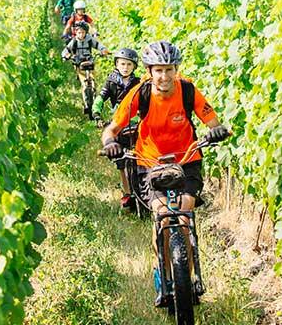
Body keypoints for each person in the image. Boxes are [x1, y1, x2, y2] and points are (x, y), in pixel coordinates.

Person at [100, 41, 229, 307]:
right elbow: (111, 129)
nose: (164, 76)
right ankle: (164, 273)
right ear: (149, 71)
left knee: (183, 212)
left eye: (169, 69)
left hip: (187, 158)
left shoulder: (188, 90)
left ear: (176, 69)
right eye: (158, 70)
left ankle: (189, 276)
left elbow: (212, 121)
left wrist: (216, 130)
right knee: (161, 214)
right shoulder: (140, 93)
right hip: (149, 161)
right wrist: (110, 144)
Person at [92, 48, 140, 208]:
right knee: (121, 161)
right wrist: (96, 112)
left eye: (129, 64)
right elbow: (101, 97)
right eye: (122, 64)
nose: (125, 67)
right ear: (116, 65)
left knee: (141, 157)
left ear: (134, 67)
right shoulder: (111, 81)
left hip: (136, 124)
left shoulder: (138, 83)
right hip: (119, 123)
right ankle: (127, 193)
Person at [62, 21, 110, 99]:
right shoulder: (74, 41)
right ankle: (86, 102)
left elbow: (98, 45)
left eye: (83, 32)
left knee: (93, 79)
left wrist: (103, 50)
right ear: (76, 32)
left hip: (89, 60)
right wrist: (66, 55)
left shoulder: (89, 39)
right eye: (79, 32)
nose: (81, 34)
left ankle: (94, 91)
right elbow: (66, 50)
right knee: (83, 82)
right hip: (78, 62)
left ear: (86, 32)